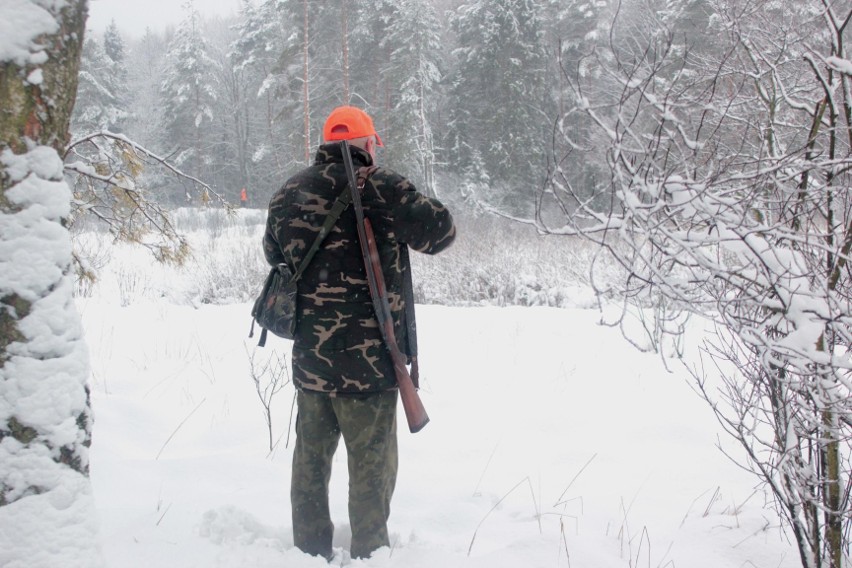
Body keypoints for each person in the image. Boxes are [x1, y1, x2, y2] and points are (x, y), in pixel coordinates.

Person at [262, 105, 455, 560]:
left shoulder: (288, 192)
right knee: (371, 468)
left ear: (325, 145)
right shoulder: (384, 186)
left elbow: (275, 255)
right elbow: (441, 232)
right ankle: (371, 553)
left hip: (311, 362)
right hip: (371, 365)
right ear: (368, 145)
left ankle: (307, 552)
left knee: (309, 463)